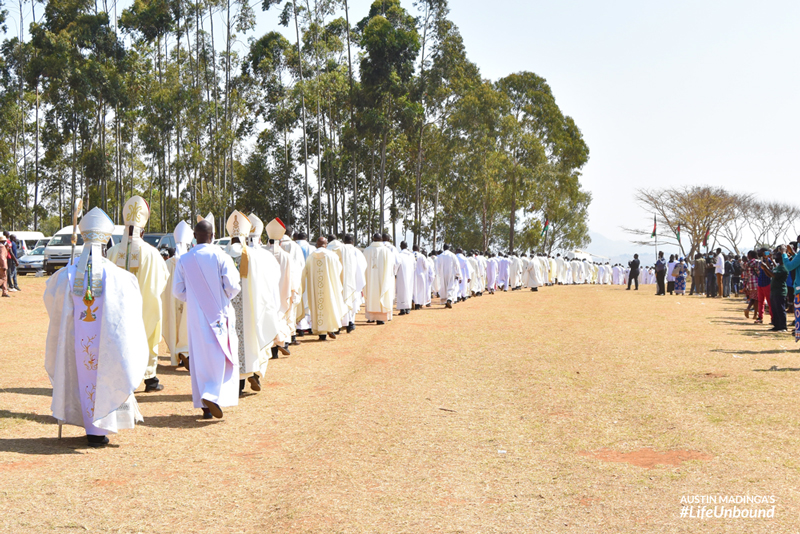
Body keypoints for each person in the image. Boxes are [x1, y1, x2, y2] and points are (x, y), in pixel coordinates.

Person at [44, 207, 148, 447]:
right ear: (106, 240)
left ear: (83, 238)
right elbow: (129, 318)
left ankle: (88, 423)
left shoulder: (64, 277)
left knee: (79, 367)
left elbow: (51, 303)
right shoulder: (121, 279)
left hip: (75, 345)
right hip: (107, 346)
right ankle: (100, 428)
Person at [173, 220, 241, 419]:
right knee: (221, 354)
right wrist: (221, 298)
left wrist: (195, 299)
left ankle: (205, 403)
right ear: (212, 235)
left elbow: (178, 291)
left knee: (200, 357)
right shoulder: (221, 255)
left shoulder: (184, 259)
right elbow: (233, 286)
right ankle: (215, 396)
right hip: (219, 314)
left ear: (195, 236)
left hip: (196, 317)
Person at [106, 196, 169, 392]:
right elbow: (162, 280)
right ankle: (150, 379)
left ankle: (121, 377)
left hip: (119, 310)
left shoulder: (113, 252)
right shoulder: (152, 253)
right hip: (144, 308)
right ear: (142, 230)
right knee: (147, 336)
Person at [224, 211, 282, 394]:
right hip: (251, 310)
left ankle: (237, 384)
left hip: (227, 311)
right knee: (252, 341)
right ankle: (254, 374)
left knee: (232, 344)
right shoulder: (257, 256)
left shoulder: (221, 255)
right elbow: (268, 283)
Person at [162, 220, 193, 370]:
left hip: (172, 302)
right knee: (186, 323)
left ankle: (177, 354)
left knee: (173, 322)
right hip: (187, 301)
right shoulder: (191, 261)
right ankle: (185, 351)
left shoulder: (168, 264)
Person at [265, 218, 300, 350]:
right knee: (282, 315)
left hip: (267, 293)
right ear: (280, 241)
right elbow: (292, 275)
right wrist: (293, 291)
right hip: (282, 291)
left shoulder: (263, 254)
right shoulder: (286, 256)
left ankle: (272, 349)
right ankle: (282, 343)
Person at [327, 233, 366, 333]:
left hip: (334, 280)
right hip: (350, 280)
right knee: (349, 300)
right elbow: (362, 266)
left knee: (337, 300)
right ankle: (349, 323)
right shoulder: (355, 251)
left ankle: (338, 324)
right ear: (353, 241)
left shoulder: (330, 249)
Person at [363, 233, 395, 324]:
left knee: (371, 294)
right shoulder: (386, 251)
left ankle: (371, 317)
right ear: (381, 240)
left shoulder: (366, 251)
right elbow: (391, 266)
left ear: (373, 239)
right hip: (382, 279)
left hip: (370, 279)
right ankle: (380, 318)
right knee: (382, 291)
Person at [761, 246, 788, 332]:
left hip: (780, 291)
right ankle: (776, 326)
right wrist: (765, 269)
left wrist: (766, 267)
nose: (775, 258)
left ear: (781, 258)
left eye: (777, 256)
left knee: (780, 309)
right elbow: (770, 274)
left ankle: (783, 327)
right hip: (774, 291)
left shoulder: (784, 268)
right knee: (774, 309)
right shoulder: (778, 266)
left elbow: (774, 275)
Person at [396, 242, 416, 314]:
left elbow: (396, 264)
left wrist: (395, 273)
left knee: (401, 291)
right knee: (409, 290)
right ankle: (408, 308)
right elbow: (414, 265)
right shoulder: (411, 255)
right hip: (410, 275)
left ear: (400, 246)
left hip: (401, 275)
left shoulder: (399, 255)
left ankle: (402, 309)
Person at [754, 249, 773, 324]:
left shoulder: (768, 260)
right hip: (760, 283)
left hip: (767, 283)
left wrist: (767, 259)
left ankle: (773, 318)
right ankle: (760, 317)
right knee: (760, 302)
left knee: (769, 302)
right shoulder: (760, 261)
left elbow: (770, 268)